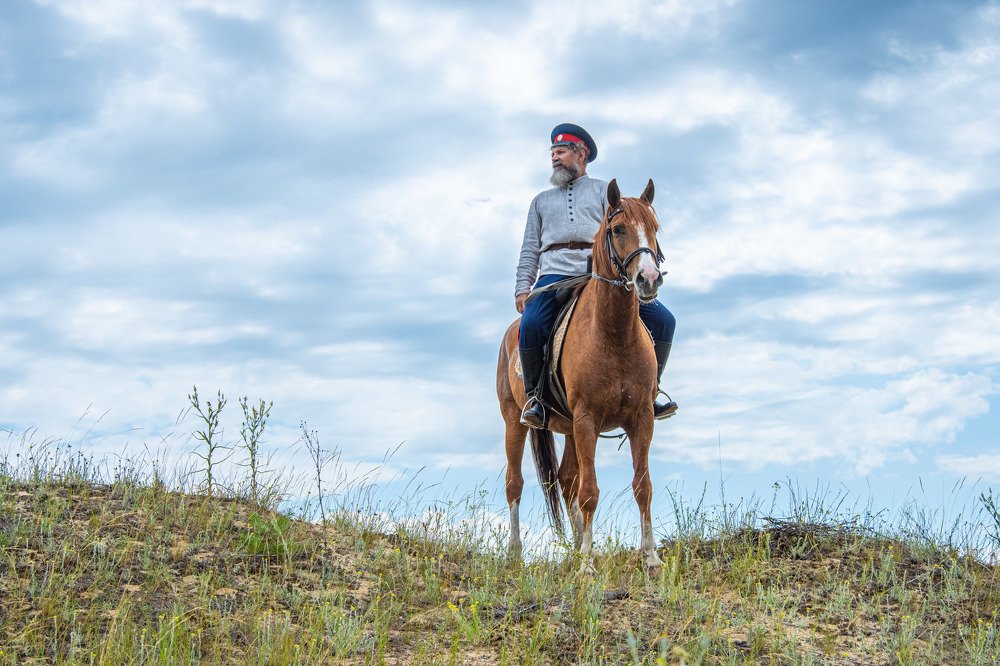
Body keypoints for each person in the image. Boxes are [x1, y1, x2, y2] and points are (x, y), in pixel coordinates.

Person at [515, 123, 678, 429]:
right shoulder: (539, 201)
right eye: (553, 153)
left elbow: (621, 231)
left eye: (561, 152)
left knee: (665, 320)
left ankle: (651, 392)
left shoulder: (604, 191)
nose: (555, 158)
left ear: (582, 154)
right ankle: (536, 398)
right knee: (533, 322)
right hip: (554, 275)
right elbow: (529, 250)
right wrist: (522, 288)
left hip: (599, 276)